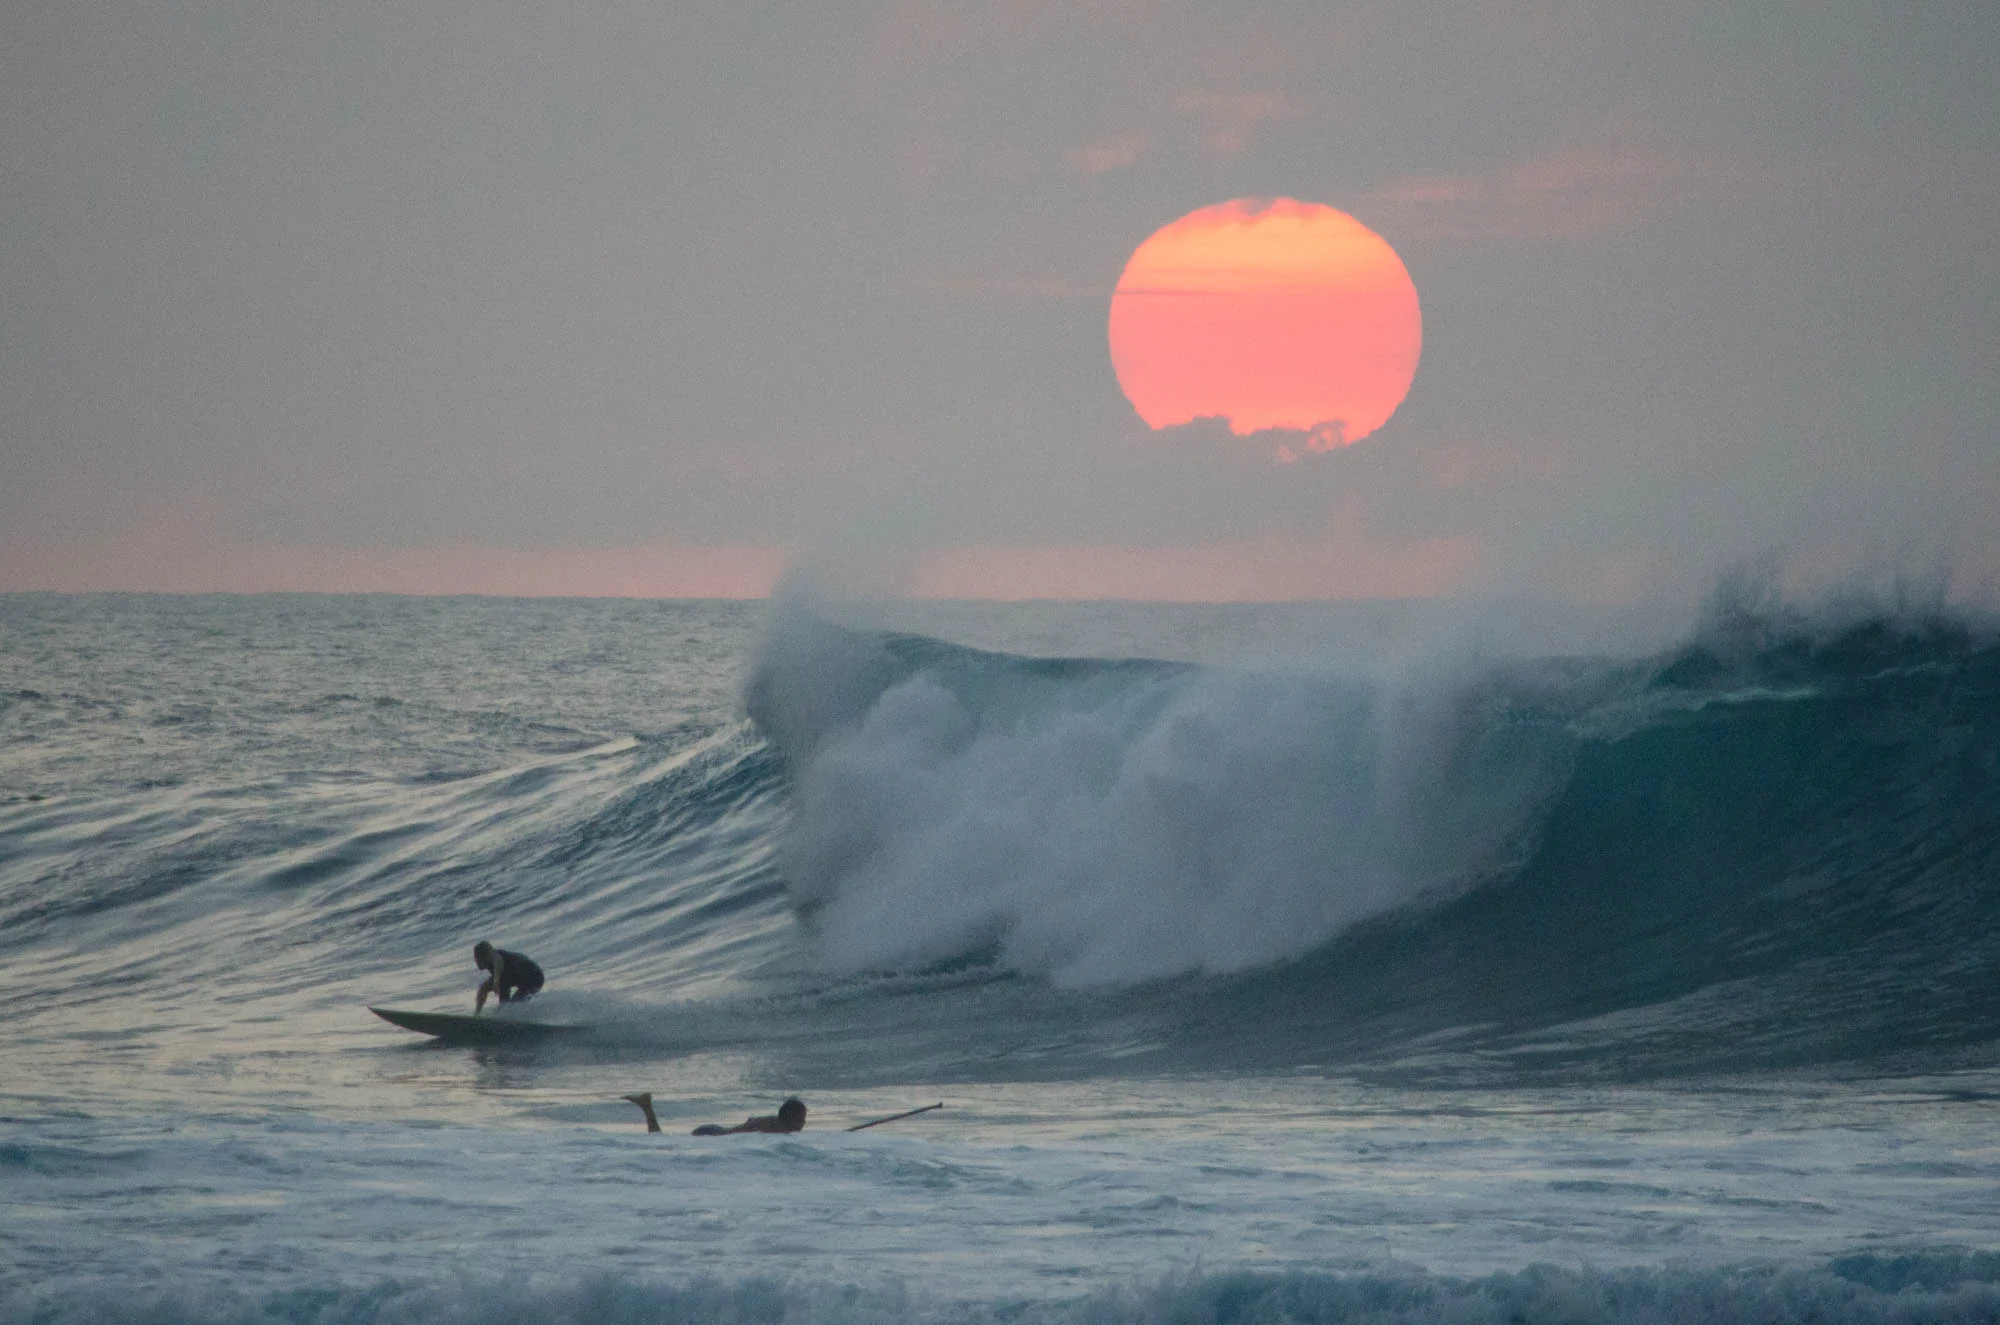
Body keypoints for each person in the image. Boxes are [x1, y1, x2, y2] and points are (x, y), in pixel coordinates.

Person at [621, 1093, 806, 1136]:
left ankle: (646, 1106)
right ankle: (646, 1106)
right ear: (790, 1117)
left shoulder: (774, 1124)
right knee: (660, 1143)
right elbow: (750, 1126)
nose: (804, 1123)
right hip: (710, 1134)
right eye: (801, 1118)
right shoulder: (775, 1129)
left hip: (714, 1131)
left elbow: (750, 1123)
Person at [472, 940, 543, 1013]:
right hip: (519, 976)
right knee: (484, 988)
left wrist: (496, 980)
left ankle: (512, 1017)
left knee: (511, 1005)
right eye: (475, 957)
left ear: (486, 956)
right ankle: (477, 1015)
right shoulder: (495, 963)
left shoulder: (496, 958)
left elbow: (498, 960)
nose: (476, 960)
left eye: (477, 957)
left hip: (534, 977)